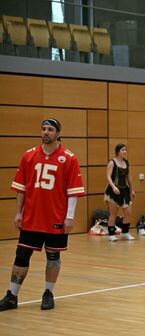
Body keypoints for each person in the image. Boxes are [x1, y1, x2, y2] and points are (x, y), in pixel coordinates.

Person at [0, 118, 85, 311]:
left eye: (50, 129)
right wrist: (18, 213)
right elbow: (21, 188)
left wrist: (69, 217)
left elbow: (73, 191)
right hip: (31, 217)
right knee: (21, 255)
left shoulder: (69, 158)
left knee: (53, 256)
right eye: (44, 129)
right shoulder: (29, 156)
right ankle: (12, 296)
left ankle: (48, 293)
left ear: (58, 133)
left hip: (56, 217)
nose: (46, 132)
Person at [105, 143, 136, 242]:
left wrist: (132, 189)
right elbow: (108, 176)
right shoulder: (112, 162)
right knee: (113, 213)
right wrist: (113, 187)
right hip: (113, 190)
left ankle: (125, 232)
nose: (125, 151)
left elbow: (129, 177)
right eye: (123, 150)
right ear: (118, 151)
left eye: (126, 149)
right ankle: (111, 234)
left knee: (128, 212)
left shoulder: (126, 162)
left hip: (124, 190)